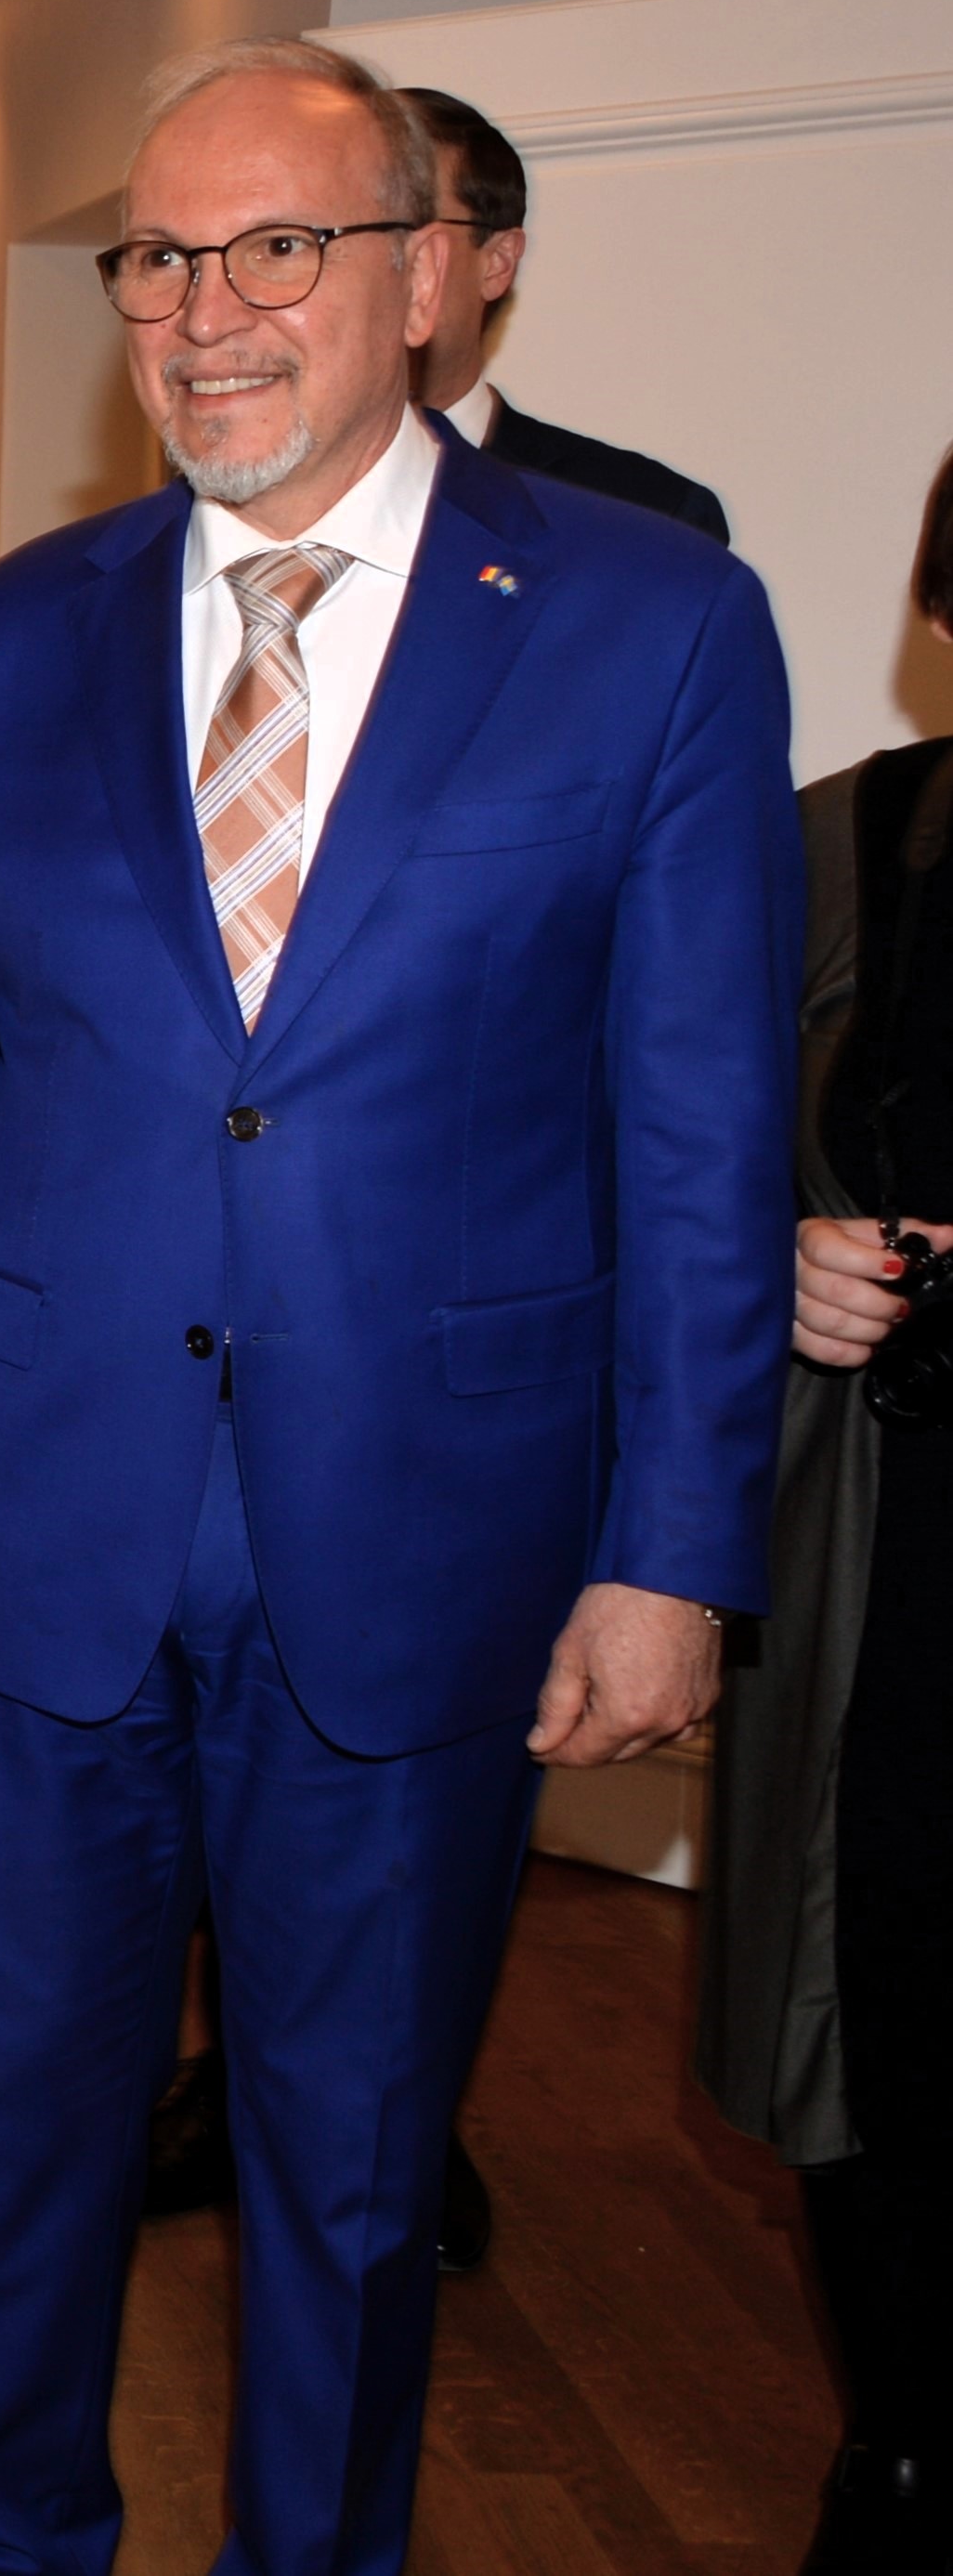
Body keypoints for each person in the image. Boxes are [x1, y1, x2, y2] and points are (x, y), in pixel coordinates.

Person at [0, 37, 797, 2573]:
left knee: (350, 2179)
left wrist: (675, 1546)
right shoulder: (4, 640)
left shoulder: (648, 627)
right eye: (156, 257)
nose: (202, 310)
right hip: (40, 1523)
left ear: (430, 276)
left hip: (425, 1531)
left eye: (277, 247)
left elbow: (701, 1134)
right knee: (15, 2138)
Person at [704, 440, 953, 2575]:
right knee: (866, 2008)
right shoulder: (841, 846)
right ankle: (895, 2449)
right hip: (891, 1549)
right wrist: (769, 1259)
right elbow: (671, 1142)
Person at [402, 85, 733, 543]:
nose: (365, 263)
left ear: (496, 262)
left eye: (402, 228)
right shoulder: (289, 491)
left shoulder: (643, 517)